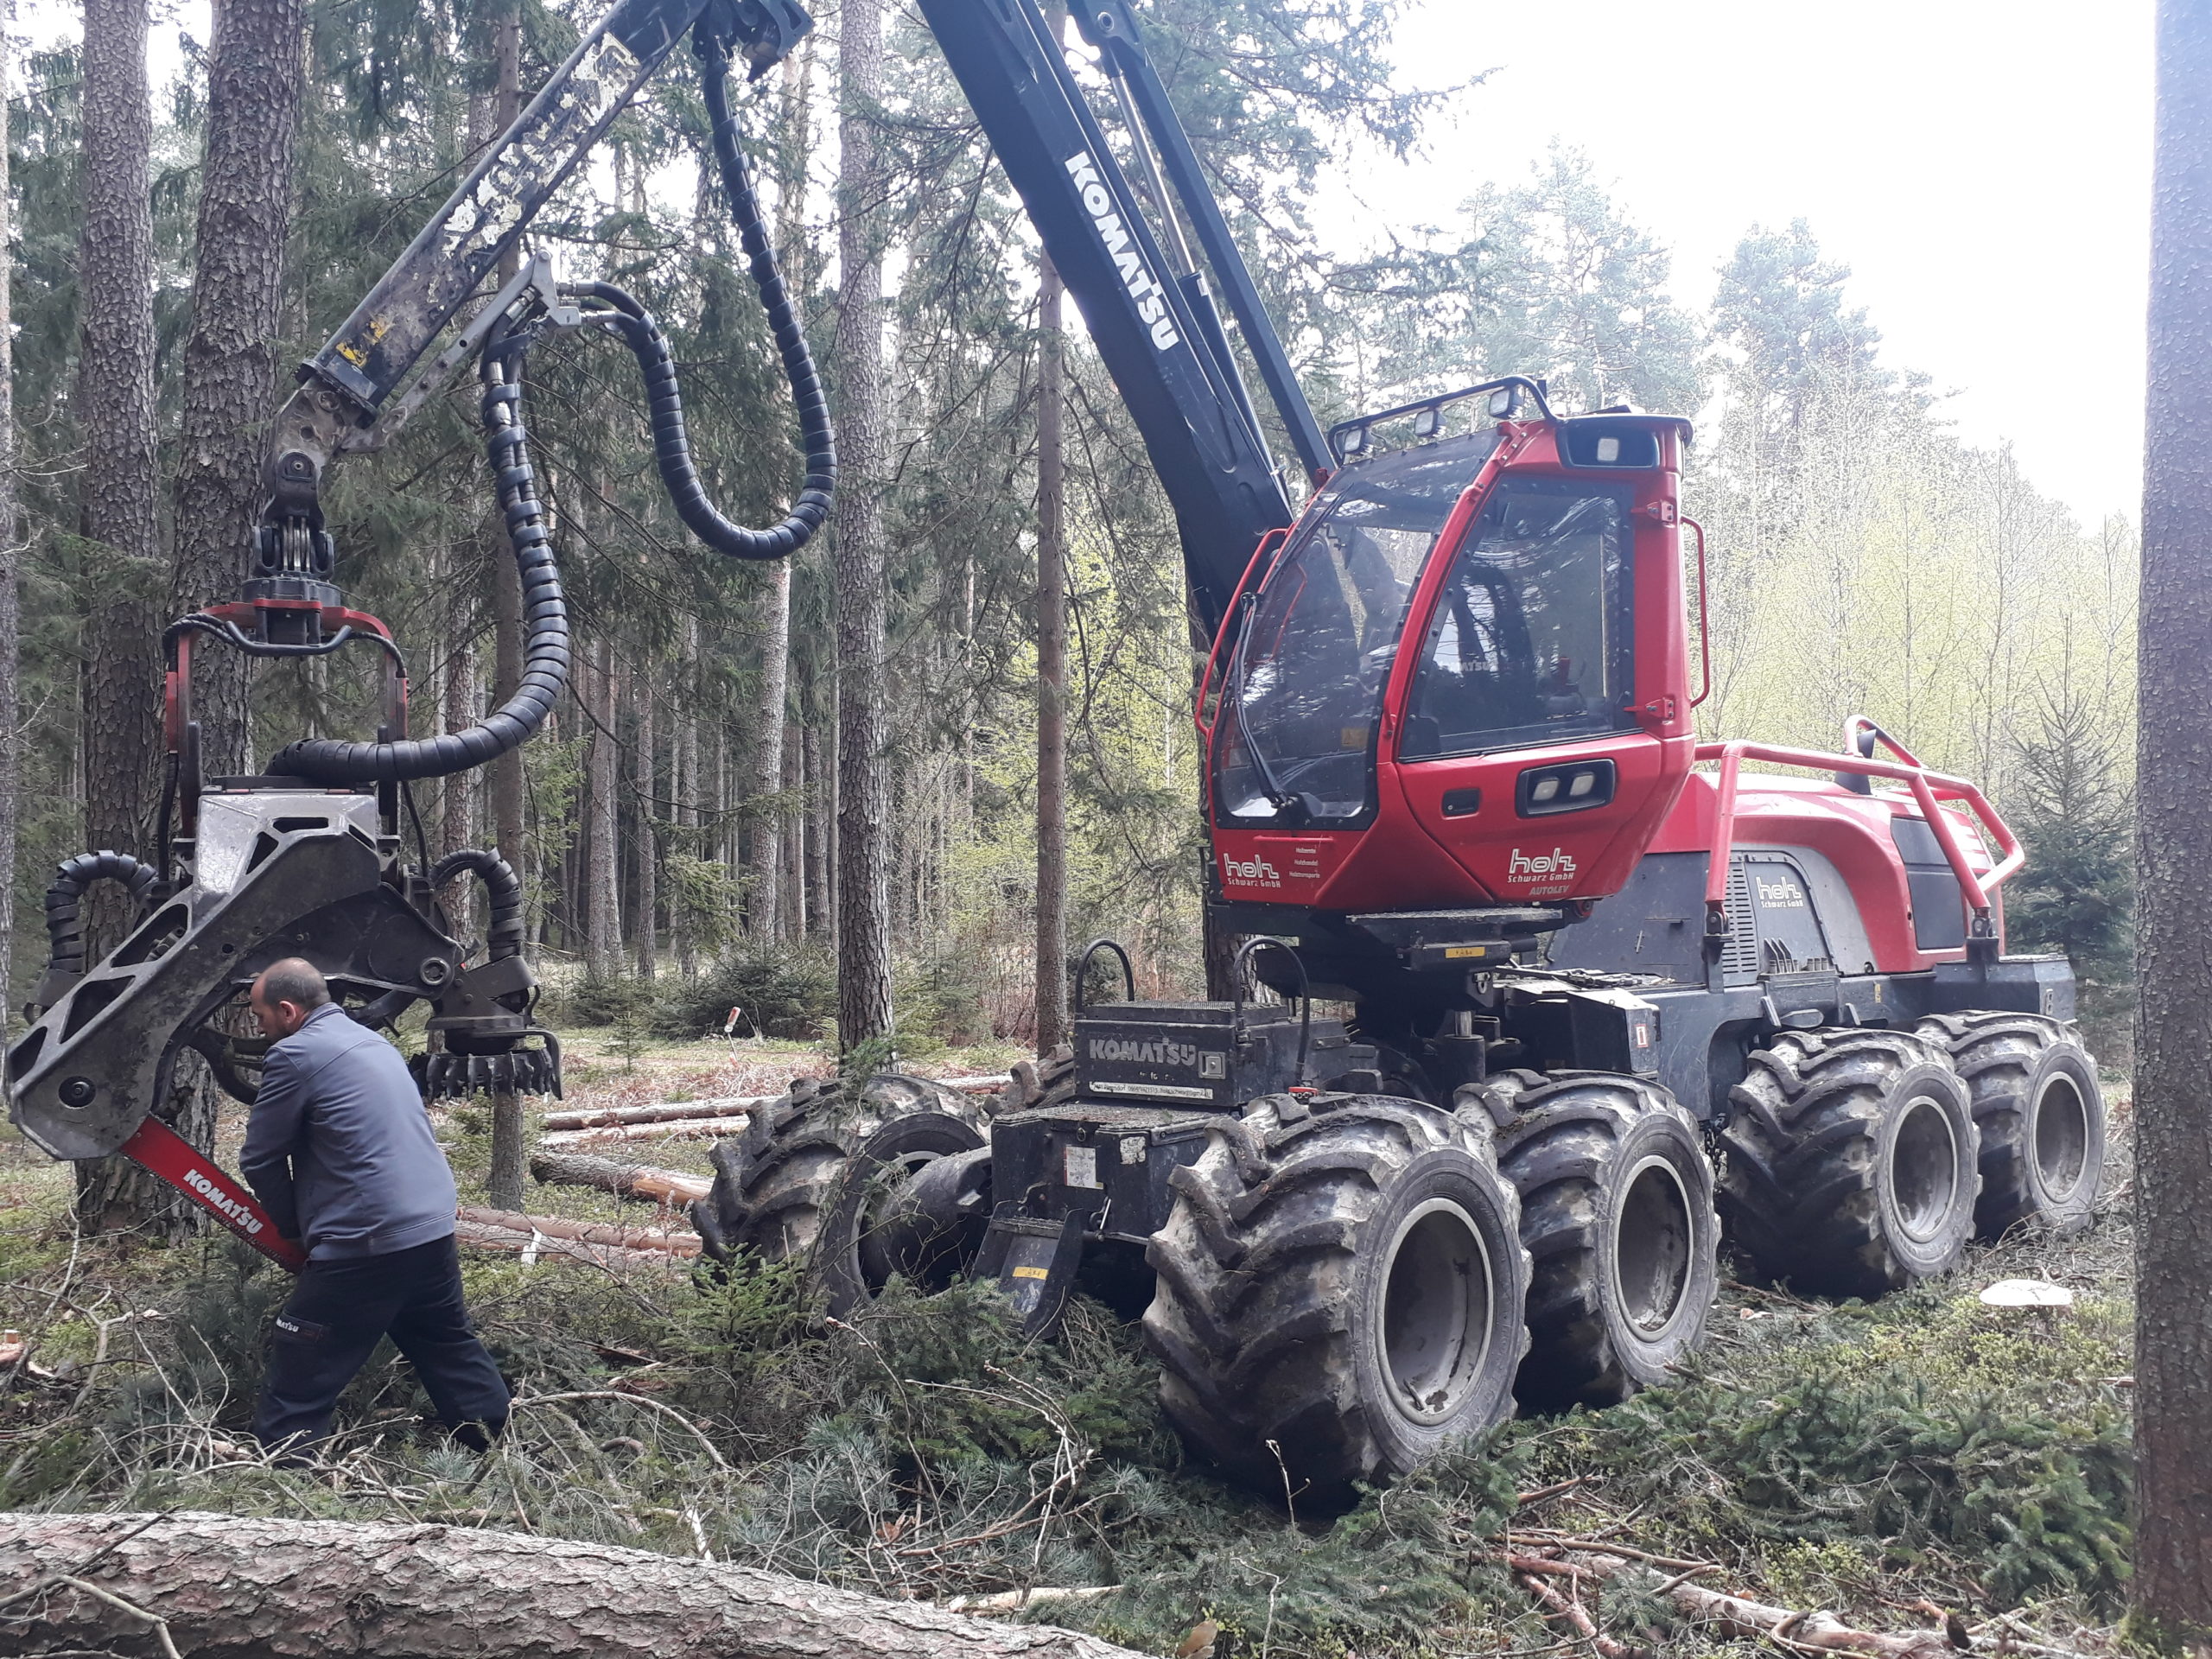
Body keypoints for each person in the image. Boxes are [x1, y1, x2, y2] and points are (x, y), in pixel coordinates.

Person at [239, 957, 509, 1458]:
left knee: (302, 1357)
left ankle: (284, 1482)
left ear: (287, 1010)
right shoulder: (371, 1041)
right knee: (445, 1342)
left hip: (369, 1237)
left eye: (259, 1016)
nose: (258, 1027)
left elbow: (260, 1159)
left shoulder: (294, 1055)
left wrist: (293, 1229)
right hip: (429, 1224)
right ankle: (495, 1450)